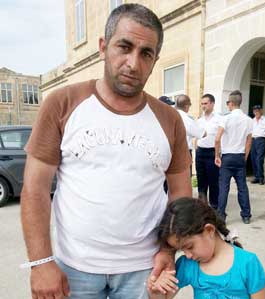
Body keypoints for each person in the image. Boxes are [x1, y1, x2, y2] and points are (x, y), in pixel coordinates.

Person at [20, 4, 192, 299]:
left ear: (155, 60)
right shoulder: (62, 103)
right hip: (74, 268)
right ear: (103, 47)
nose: (133, 63)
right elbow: (34, 189)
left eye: (146, 53)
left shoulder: (169, 119)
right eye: (124, 47)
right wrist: (41, 262)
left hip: (145, 268)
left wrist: (168, 250)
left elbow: (181, 194)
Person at [148, 197, 265, 299]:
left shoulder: (247, 263)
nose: (188, 255)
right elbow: (164, 296)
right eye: (181, 250)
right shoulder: (188, 265)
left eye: (189, 246)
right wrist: (157, 291)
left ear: (209, 230)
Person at [215, 90, 253, 224]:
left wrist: (216, 155)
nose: (227, 105)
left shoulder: (225, 118)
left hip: (227, 156)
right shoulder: (248, 120)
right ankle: (246, 215)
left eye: (227, 103)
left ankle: (220, 216)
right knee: (242, 187)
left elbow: (217, 139)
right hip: (240, 156)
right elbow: (249, 141)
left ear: (231, 103)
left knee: (224, 187)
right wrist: (245, 157)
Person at [195, 94, 222, 209]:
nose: (203, 106)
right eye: (202, 104)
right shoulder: (199, 120)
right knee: (201, 181)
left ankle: (214, 206)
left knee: (213, 181)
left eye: (205, 103)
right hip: (200, 153)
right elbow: (196, 136)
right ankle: (203, 206)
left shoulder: (219, 119)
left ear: (212, 104)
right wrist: (196, 146)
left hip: (212, 153)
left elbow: (222, 137)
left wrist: (218, 153)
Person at [175, 94, 206, 175]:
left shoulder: (169, 115)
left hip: (169, 153)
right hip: (183, 153)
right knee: (184, 180)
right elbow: (202, 134)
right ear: (186, 106)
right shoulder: (186, 119)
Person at [251, 105, 265, 185]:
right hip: (253, 140)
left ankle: (261, 178)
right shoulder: (252, 121)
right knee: (253, 159)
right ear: (253, 112)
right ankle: (256, 177)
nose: (256, 112)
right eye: (255, 111)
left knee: (259, 159)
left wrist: (264, 137)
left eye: (258, 111)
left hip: (261, 140)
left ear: (261, 111)